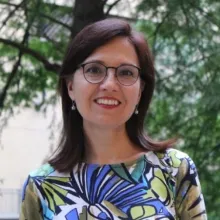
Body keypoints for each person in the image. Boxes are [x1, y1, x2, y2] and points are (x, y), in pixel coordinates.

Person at [20, 19, 207, 220]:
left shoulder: (175, 169)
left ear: (140, 91)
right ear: (71, 86)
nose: (109, 84)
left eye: (126, 73)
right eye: (94, 69)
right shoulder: (40, 186)